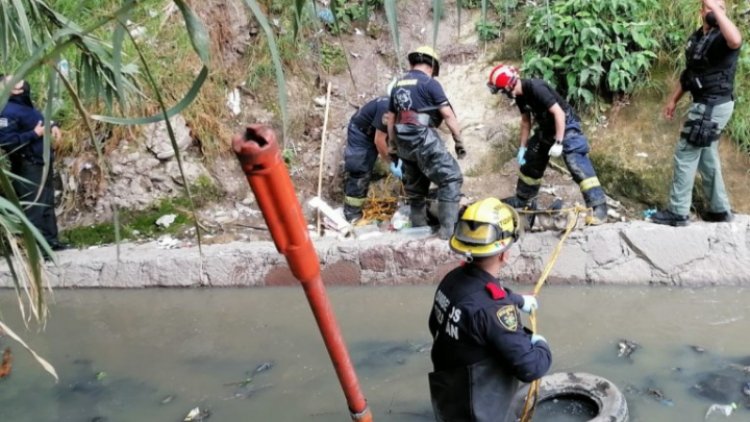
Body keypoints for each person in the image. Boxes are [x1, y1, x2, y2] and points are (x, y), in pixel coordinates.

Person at [428, 197, 552, 421]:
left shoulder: (452, 280)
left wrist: (516, 299)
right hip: (479, 403)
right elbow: (530, 368)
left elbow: (434, 324)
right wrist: (540, 344)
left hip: (448, 390)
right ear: (505, 254)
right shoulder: (494, 309)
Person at [652, 0, 741, 226]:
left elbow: (736, 40)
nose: (714, 12)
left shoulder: (724, 36)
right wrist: (673, 99)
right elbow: (690, 73)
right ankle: (720, 209)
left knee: (686, 152)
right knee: (707, 155)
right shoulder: (698, 38)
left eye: (720, 8)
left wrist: (718, 13)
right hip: (706, 103)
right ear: (702, 11)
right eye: (710, 8)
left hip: (712, 106)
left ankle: (678, 212)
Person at [487, 64, 608, 226]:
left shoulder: (536, 87)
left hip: (566, 124)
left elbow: (559, 113)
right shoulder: (520, 96)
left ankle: (598, 207)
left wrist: (559, 142)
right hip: (547, 127)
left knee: (574, 158)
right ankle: (524, 200)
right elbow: (525, 122)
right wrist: (523, 148)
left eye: (502, 90)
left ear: (509, 85)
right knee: (532, 157)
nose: (503, 94)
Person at [386, 46, 465, 239]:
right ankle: (447, 234)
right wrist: (458, 140)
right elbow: (447, 114)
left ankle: (418, 231)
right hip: (423, 136)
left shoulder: (398, 84)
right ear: (432, 65)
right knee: (450, 178)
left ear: (412, 63)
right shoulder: (430, 83)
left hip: (403, 139)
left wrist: (393, 147)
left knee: (416, 190)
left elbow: (390, 119)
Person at [0, 75, 67, 251]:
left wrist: (52, 124)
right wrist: (35, 134)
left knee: (46, 204)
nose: (22, 81)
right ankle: (34, 250)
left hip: (41, 162)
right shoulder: (5, 111)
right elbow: (7, 142)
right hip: (27, 164)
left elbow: (36, 120)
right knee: (33, 207)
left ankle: (50, 243)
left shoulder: (24, 105)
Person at [342, 95, 399, 222]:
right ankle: (352, 214)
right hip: (361, 132)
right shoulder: (387, 108)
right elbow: (379, 141)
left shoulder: (404, 106)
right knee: (360, 169)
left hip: (378, 131)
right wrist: (390, 163)